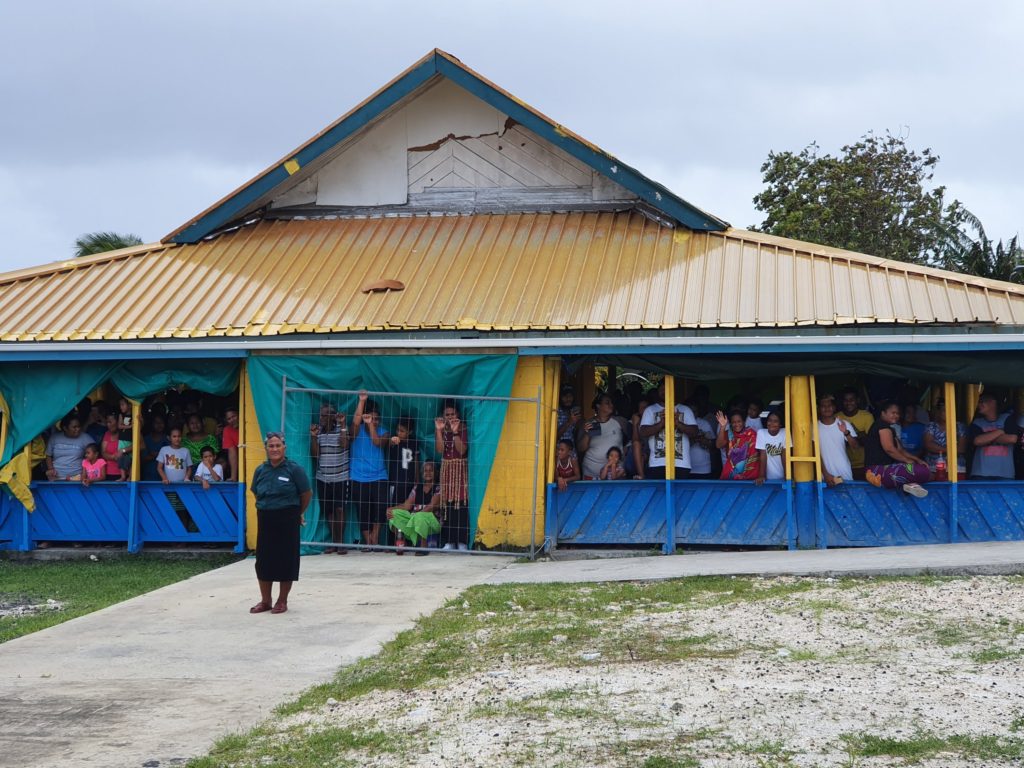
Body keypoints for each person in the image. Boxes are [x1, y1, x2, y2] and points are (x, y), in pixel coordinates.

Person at [249, 432, 312, 615]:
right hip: (266, 518)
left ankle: (282, 601)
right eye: (271, 446)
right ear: (266, 448)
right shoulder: (260, 470)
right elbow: (255, 491)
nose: (274, 449)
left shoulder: (294, 469)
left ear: (284, 447)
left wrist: (297, 513)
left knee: (286, 559)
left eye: (278, 446)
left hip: (288, 518)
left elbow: (306, 494)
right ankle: (265, 601)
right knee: (264, 560)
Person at [864, 400, 931, 498]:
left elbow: (900, 450)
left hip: (887, 469)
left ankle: (908, 485)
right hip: (875, 472)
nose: (896, 416)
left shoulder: (891, 429)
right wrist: (907, 460)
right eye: (893, 413)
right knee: (923, 472)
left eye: (898, 413)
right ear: (883, 413)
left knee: (924, 469)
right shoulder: (881, 426)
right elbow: (889, 449)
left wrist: (917, 460)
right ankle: (907, 484)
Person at [350, 391, 389, 548]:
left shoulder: (384, 432)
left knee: (380, 508)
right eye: (371, 418)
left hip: (379, 476)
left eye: (376, 419)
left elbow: (377, 442)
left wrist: (371, 426)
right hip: (358, 476)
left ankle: (375, 537)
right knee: (362, 509)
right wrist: (361, 401)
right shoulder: (356, 431)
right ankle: (368, 542)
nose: (375, 421)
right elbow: (354, 422)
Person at [310, 403, 349, 554]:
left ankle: (341, 543)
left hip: (341, 476)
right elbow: (315, 454)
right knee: (330, 511)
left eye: (325, 415)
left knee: (340, 509)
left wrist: (343, 425)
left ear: (333, 417)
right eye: (321, 415)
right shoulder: (318, 432)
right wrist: (313, 437)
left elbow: (345, 445)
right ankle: (334, 542)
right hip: (323, 478)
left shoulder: (341, 430)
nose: (321, 418)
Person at [639, 381, 698, 479]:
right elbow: (643, 432)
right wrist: (661, 423)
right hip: (657, 464)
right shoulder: (650, 410)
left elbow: (694, 432)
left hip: (681, 464)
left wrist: (678, 423)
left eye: (667, 389)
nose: (664, 392)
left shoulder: (685, 410)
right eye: (662, 389)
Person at [435, 399, 470, 550]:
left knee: (460, 504)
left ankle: (461, 542)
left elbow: (462, 451)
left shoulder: (463, 428)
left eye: (452, 414)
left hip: (459, 470)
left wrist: (455, 432)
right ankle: (448, 541)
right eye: (447, 414)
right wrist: (438, 430)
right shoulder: (442, 429)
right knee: (447, 504)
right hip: (446, 470)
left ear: (458, 414)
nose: (449, 417)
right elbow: (439, 450)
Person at [389, 460, 442, 556]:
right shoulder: (417, 487)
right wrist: (391, 509)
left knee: (420, 516)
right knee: (395, 514)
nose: (428, 473)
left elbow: (431, 506)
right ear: (422, 473)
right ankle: (401, 543)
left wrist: (416, 515)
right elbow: (407, 506)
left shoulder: (439, 488)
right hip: (414, 520)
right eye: (425, 471)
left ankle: (423, 547)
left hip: (432, 522)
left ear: (436, 472)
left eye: (431, 470)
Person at [577, 393, 629, 480]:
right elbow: (580, 448)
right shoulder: (589, 423)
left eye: (611, 403)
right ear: (598, 406)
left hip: (615, 473)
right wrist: (587, 433)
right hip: (591, 472)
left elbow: (633, 437)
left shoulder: (620, 421)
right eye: (607, 403)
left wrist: (626, 449)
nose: (611, 405)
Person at [969, 393, 1019, 480]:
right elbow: (977, 441)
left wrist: (986, 438)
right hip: (981, 473)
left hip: (1005, 473)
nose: (979, 405)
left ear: (992, 402)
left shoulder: (1007, 418)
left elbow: (1012, 439)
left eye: (981, 402)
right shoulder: (977, 422)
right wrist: (1000, 431)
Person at [817, 395, 858, 487]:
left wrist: (846, 432)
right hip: (824, 475)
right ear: (819, 409)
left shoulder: (844, 423)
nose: (827, 408)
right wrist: (825, 474)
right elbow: (814, 453)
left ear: (834, 407)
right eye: (823, 406)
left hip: (844, 471)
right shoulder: (814, 427)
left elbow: (855, 447)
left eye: (829, 405)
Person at [923, 400, 967, 478]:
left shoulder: (960, 426)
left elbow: (961, 449)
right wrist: (952, 450)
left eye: (951, 410)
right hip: (934, 467)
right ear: (939, 412)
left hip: (957, 467)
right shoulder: (931, 426)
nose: (948, 412)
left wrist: (938, 449)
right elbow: (928, 445)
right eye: (944, 410)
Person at [839, 388, 875, 480]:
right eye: (846, 400)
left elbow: (870, 441)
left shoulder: (867, 416)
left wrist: (847, 438)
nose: (849, 403)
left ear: (857, 400)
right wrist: (860, 434)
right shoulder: (837, 417)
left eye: (852, 400)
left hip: (864, 463)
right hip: (843, 464)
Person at [716, 410, 760, 481]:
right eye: (733, 422)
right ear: (730, 423)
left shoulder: (752, 434)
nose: (736, 424)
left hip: (750, 475)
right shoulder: (729, 434)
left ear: (744, 422)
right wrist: (723, 426)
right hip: (731, 475)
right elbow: (718, 445)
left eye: (739, 421)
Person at [45, 417, 93, 481]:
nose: (78, 429)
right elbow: (48, 455)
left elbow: (94, 453)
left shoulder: (85, 438)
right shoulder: (55, 437)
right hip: (56, 478)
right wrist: (50, 469)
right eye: (74, 427)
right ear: (65, 428)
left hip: (78, 478)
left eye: (79, 426)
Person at [755, 411, 790, 485]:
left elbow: (785, 455)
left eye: (775, 421)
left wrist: (787, 475)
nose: (772, 423)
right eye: (770, 420)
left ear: (780, 424)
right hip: (767, 479)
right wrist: (762, 476)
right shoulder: (761, 433)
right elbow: (763, 456)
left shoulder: (785, 432)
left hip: (783, 477)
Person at [688, 400, 718, 480]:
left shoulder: (704, 423)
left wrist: (704, 440)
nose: (693, 414)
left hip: (704, 468)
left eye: (695, 411)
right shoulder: (681, 424)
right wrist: (693, 439)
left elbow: (714, 445)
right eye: (690, 411)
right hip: (686, 467)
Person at [142, 413, 169, 481]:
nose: (159, 425)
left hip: (165, 478)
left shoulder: (168, 439)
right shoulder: (146, 439)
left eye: (161, 422)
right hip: (148, 475)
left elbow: (170, 457)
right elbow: (143, 458)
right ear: (152, 424)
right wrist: (160, 455)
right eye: (156, 422)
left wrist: (155, 454)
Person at [101, 413, 127, 481]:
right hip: (109, 472)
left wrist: (123, 450)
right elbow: (103, 452)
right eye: (107, 422)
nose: (108, 425)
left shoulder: (125, 432)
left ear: (118, 422)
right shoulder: (107, 434)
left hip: (124, 472)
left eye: (110, 422)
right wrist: (113, 457)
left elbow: (136, 446)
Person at [222, 407, 240, 481]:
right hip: (239, 459)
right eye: (229, 419)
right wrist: (233, 477)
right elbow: (232, 453)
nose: (232, 420)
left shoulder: (248, 425)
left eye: (234, 416)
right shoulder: (227, 430)